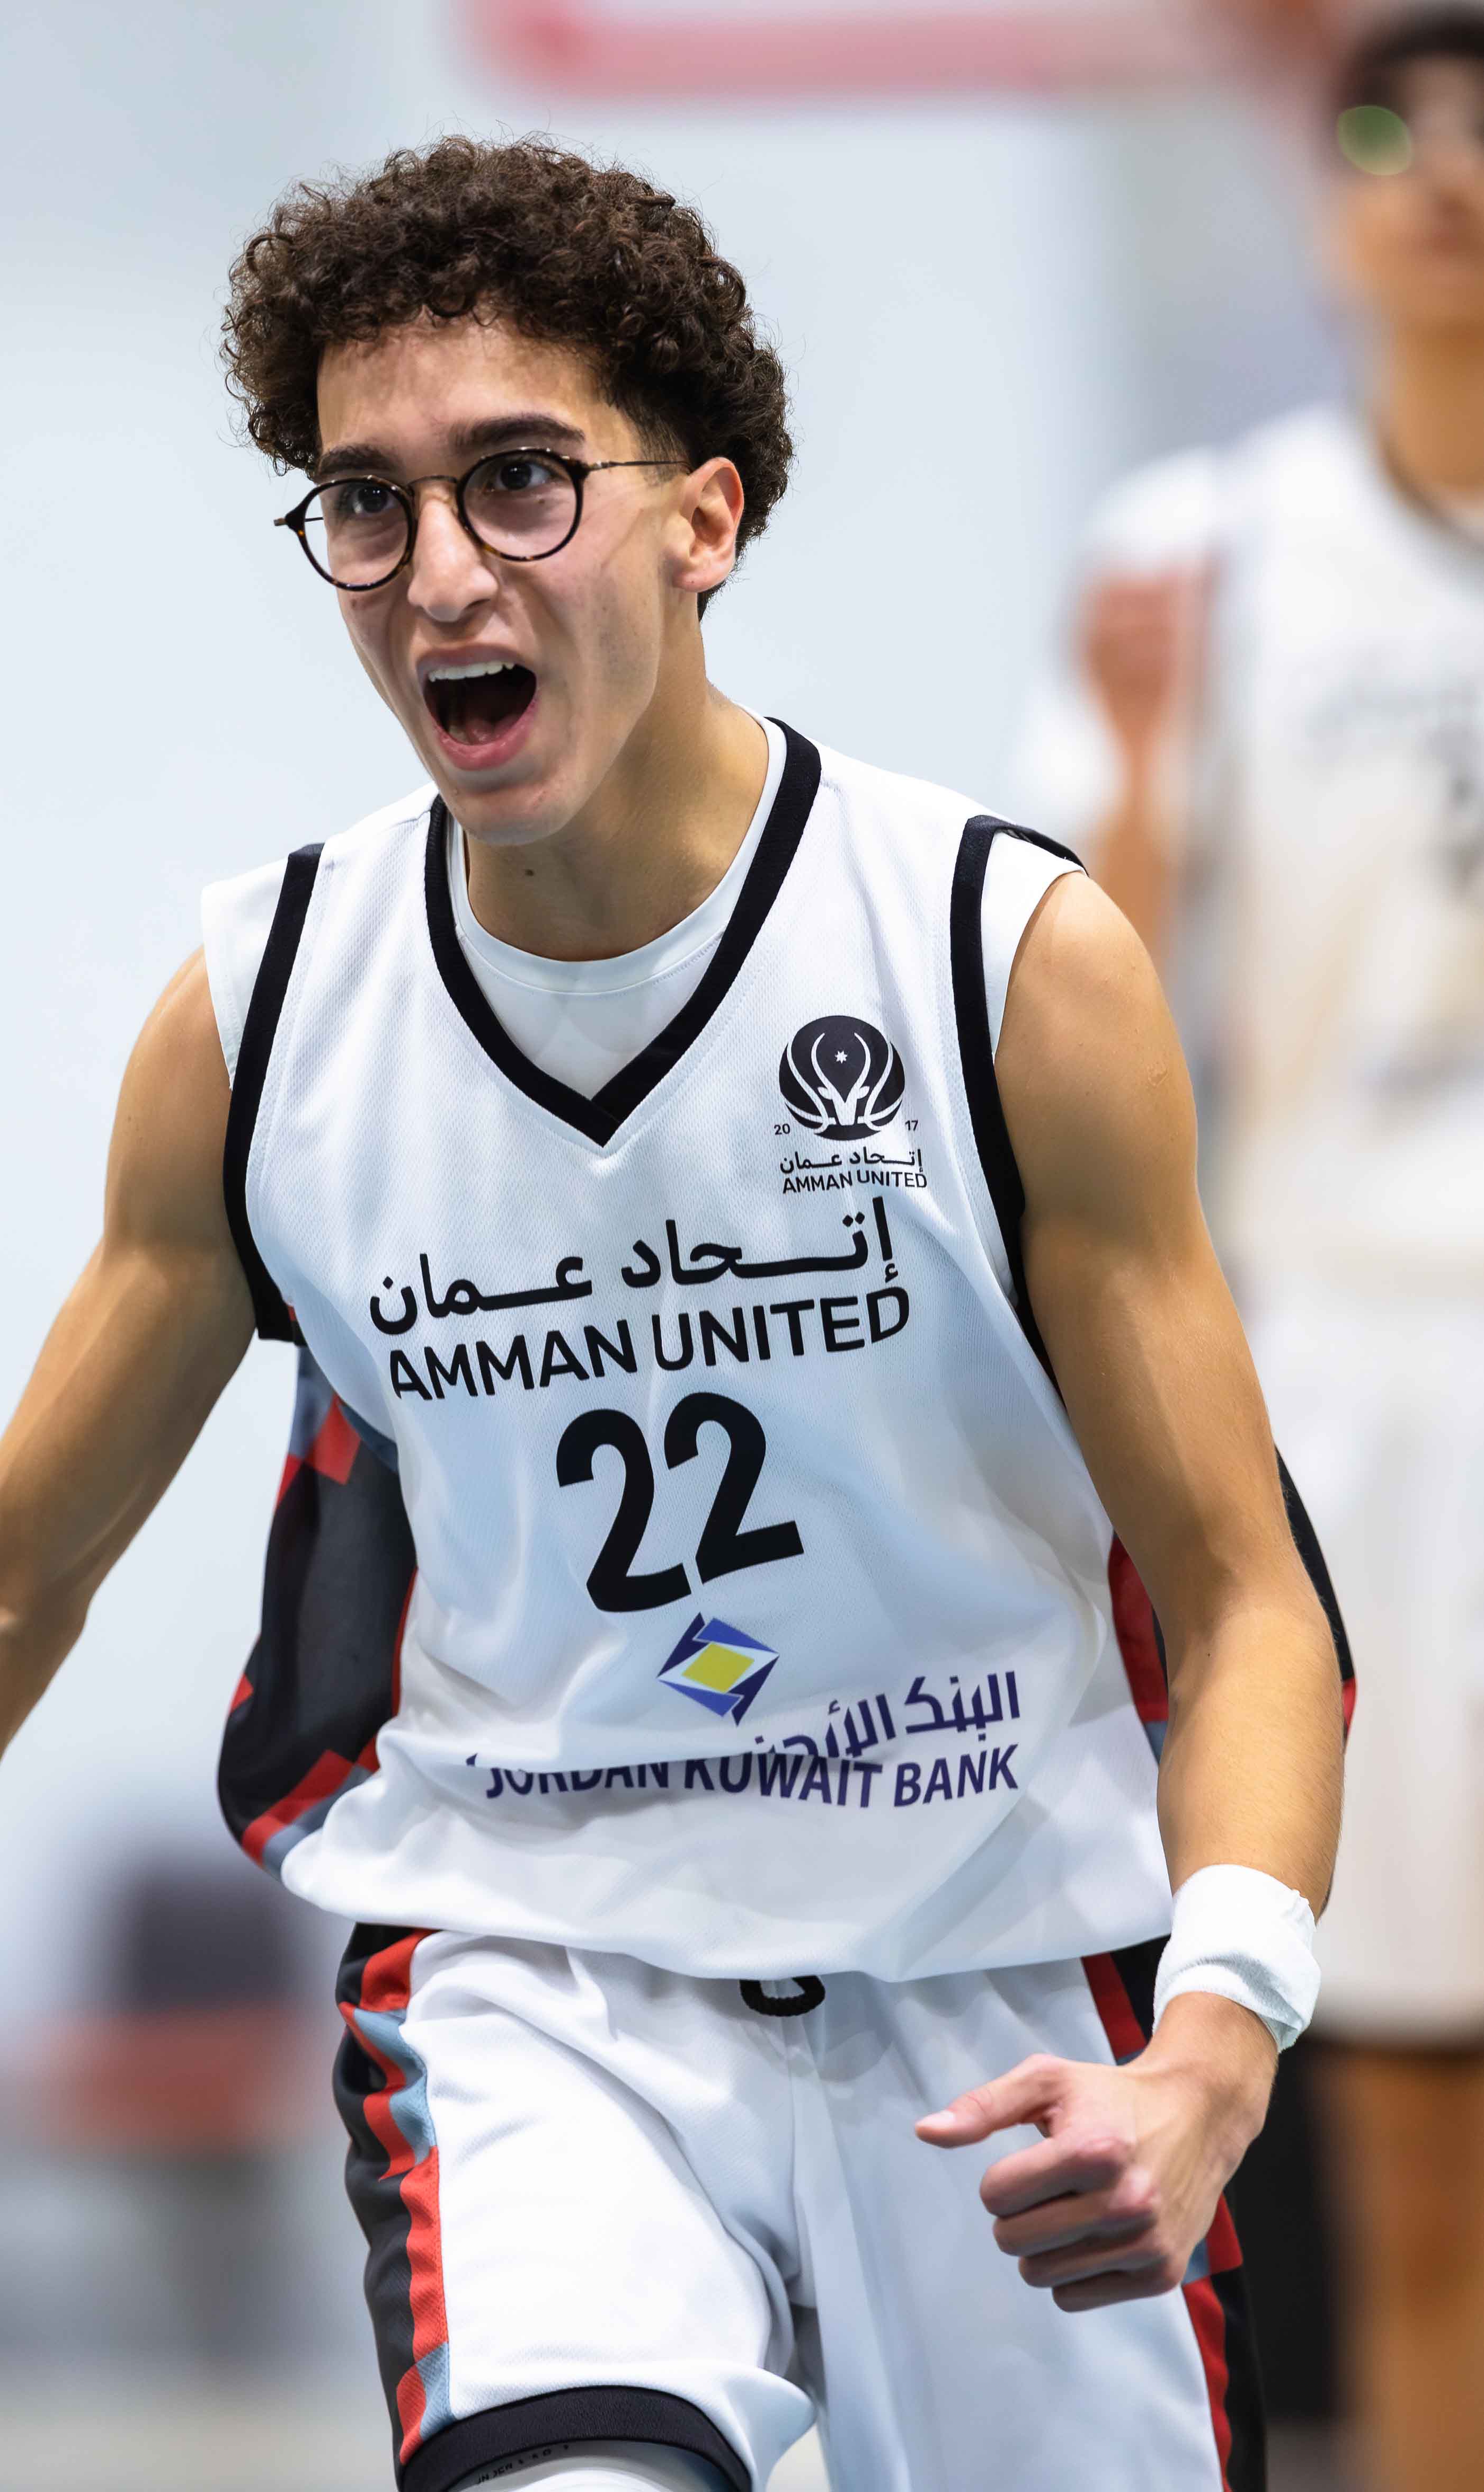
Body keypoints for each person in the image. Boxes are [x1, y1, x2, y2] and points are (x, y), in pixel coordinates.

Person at [0, 137, 1347, 2492]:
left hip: (1005, 1975)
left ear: (703, 517)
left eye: (517, 480)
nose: (436, 573)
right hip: (537, 1991)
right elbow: (0, 1589)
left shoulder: (988, 960)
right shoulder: (266, 1020)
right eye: (364, 502)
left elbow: (1243, 1602)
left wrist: (1217, 2045)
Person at [1011, 13, 1484, 2488]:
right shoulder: (1193, 556)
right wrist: (1140, 784)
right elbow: (1083, 1024)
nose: (1445, 175)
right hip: (1356, 1388)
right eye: (1387, 132)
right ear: (1321, 201)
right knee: (1405, 2126)